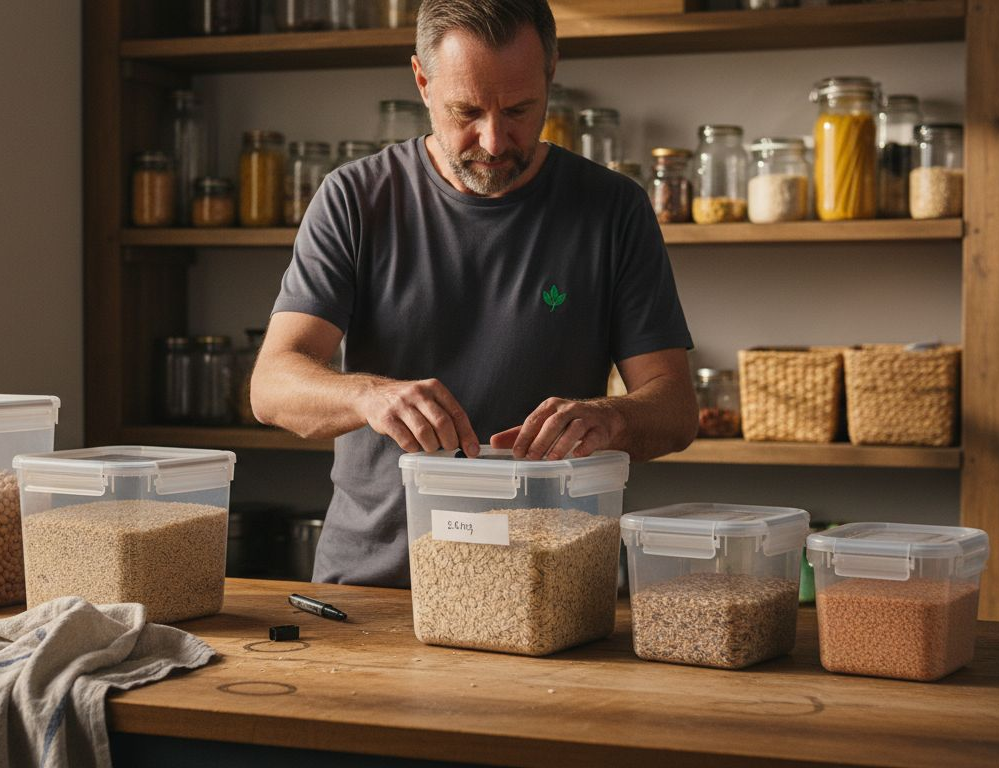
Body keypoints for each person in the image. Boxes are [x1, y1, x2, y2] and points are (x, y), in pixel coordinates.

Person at [250, 0, 697, 588]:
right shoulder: (354, 199)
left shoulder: (613, 210)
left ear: (550, 73)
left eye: (518, 110)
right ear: (422, 81)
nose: (493, 139)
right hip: (377, 584)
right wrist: (369, 397)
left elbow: (675, 409)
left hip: (548, 581)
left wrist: (610, 419)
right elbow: (272, 385)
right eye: (467, 111)